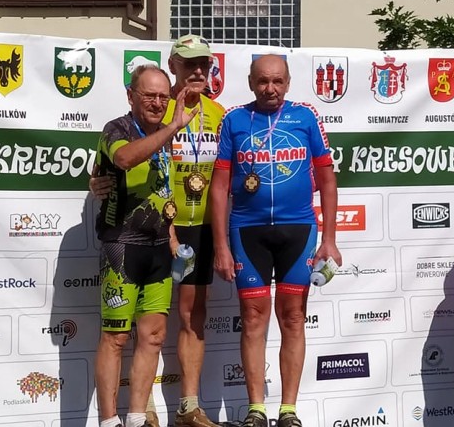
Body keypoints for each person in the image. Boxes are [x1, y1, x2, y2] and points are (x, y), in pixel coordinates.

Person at [91, 34, 224, 427]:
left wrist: (175, 237)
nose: (157, 102)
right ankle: (114, 419)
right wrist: (95, 181)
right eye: (149, 95)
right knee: (117, 336)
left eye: (162, 97)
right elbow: (121, 159)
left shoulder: (212, 116)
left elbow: (167, 187)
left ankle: (146, 415)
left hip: (169, 240)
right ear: (131, 96)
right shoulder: (126, 125)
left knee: (157, 333)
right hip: (123, 245)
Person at [208, 54, 341, 427]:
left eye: (278, 81)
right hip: (247, 230)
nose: (271, 88)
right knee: (252, 317)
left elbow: (327, 179)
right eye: (263, 81)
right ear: (251, 82)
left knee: (294, 317)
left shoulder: (305, 116)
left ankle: (288, 409)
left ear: (288, 82)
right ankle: (255, 408)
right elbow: (219, 187)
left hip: (298, 229)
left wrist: (330, 239)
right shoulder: (234, 119)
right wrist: (220, 245)